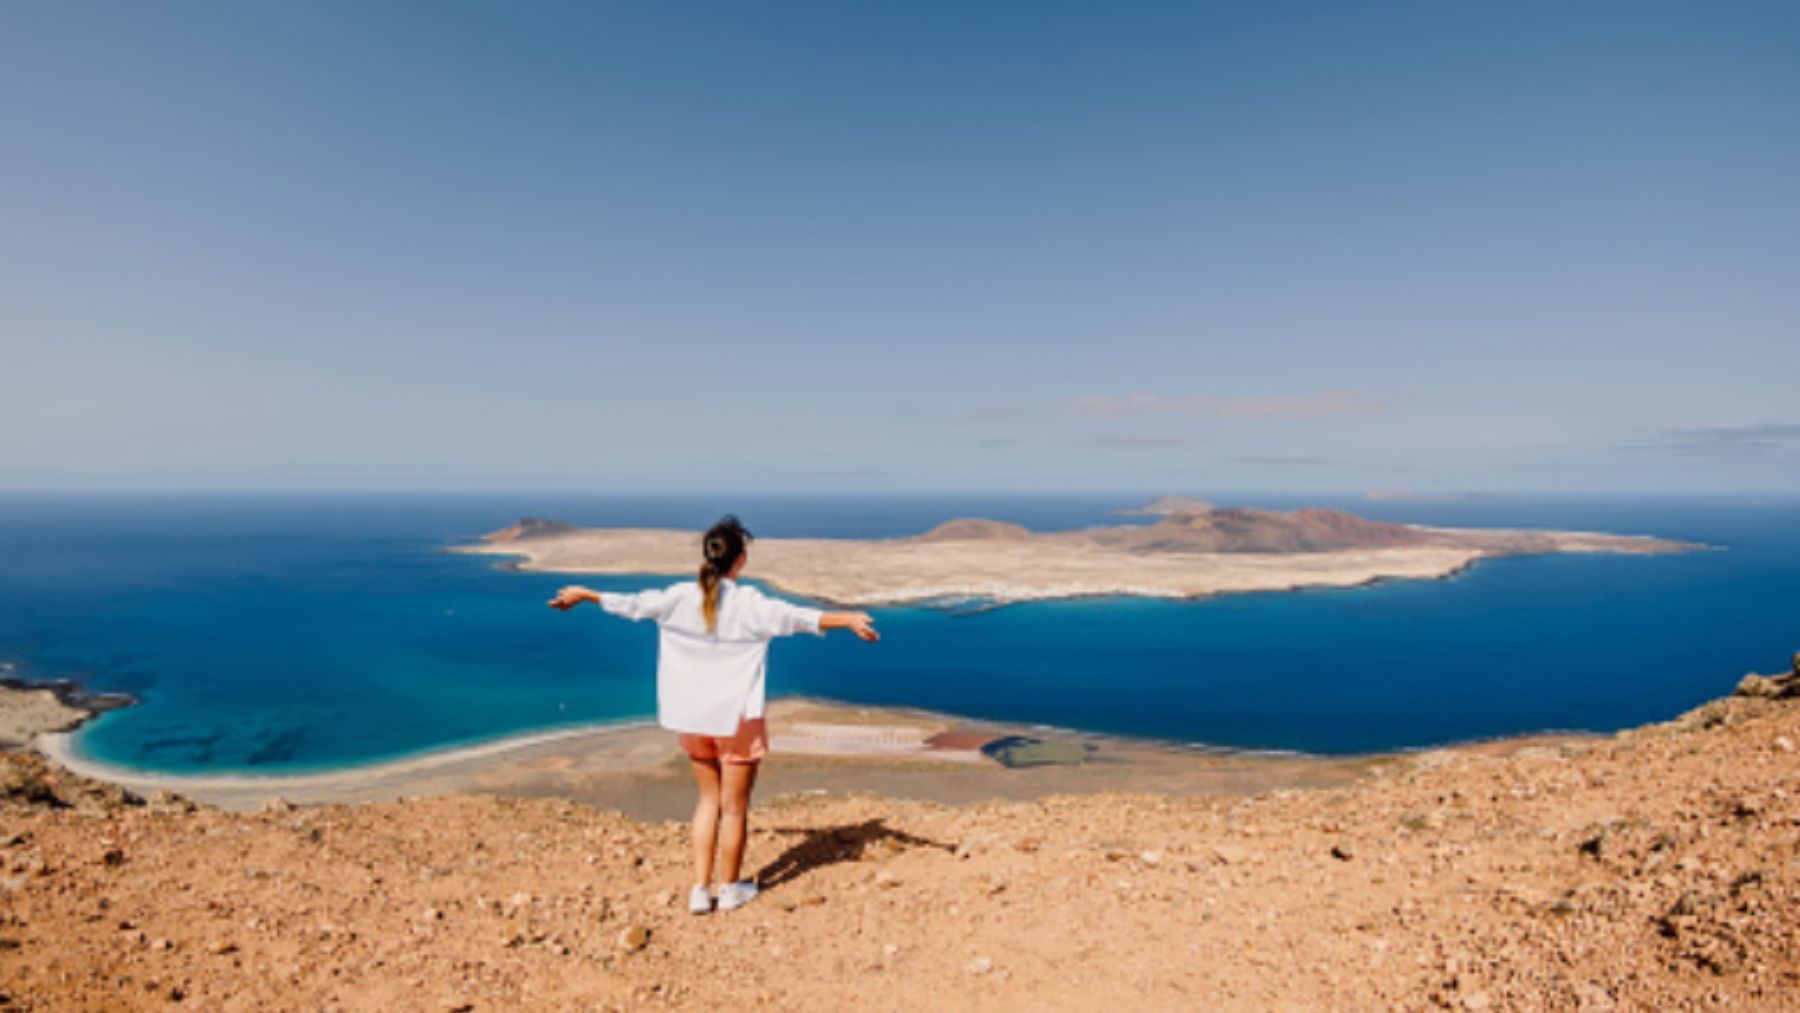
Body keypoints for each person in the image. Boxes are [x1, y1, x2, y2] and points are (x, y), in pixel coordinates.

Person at [548, 515, 879, 914]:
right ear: (739, 561)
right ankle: (731, 888)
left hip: (693, 719)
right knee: (734, 807)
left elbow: (632, 605)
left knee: (707, 802)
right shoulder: (749, 603)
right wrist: (849, 619)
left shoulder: (678, 597)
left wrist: (585, 594)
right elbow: (798, 618)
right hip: (737, 720)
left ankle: (700, 890)